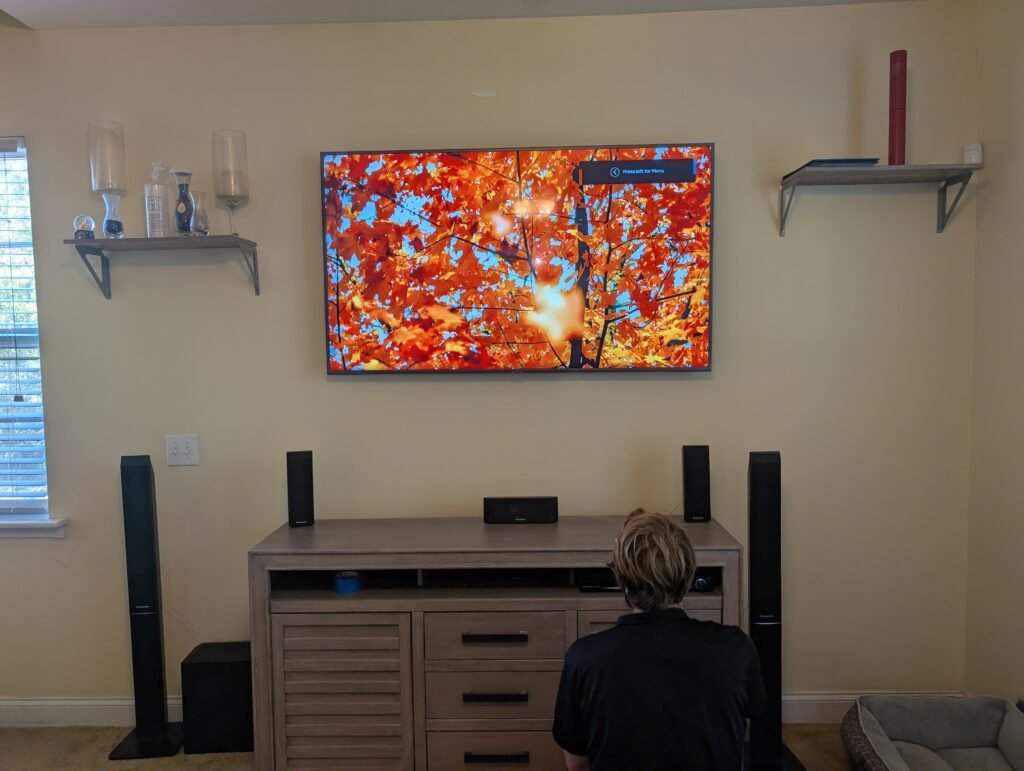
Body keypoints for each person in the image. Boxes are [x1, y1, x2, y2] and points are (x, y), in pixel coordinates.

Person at [553, 509, 765, 770]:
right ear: (687, 576)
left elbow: (576, 764)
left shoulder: (584, 658)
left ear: (622, 580)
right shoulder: (737, 649)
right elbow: (744, 736)